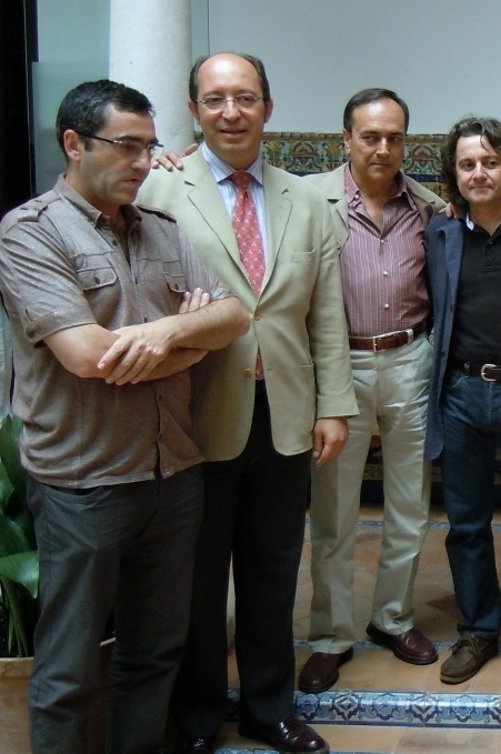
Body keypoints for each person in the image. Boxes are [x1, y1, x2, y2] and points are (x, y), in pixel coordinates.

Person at [0, 79, 249, 754]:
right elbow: (87, 356)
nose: (143, 163)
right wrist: (189, 337)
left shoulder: (161, 230)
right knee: (69, 668)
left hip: (174, 476)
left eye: (149, 146)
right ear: (74, 144)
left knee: (154, 652)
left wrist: (165, 333)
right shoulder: (30, 232)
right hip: (85, 484)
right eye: (127, 146)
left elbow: (233, 316)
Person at [138, 52, 357, 754]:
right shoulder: (157, 190)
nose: (231, 112)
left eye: (245, 97)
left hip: (286, 415)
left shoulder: (307, 201)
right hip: (193, 415)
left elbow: (327, 315)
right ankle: (199, 716)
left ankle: (269, 708)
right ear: (194, 109)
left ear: (268, 106)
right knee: (197, 579)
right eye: (215, 99)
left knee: (272, 571)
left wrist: (333, 405)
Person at [298, 88, 446, 694]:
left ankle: (392, 618)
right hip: (340, 366)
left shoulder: (429, 207)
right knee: (334, 512)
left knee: (410, 503)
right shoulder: (307, 200)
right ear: (346, 140)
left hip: (411, 358)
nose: (383, 148)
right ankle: (331, 635)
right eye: (370, 136)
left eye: (394, 137)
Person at [425, 116, 501, 686]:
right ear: (454, 174)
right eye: (467, 164)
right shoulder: (440, 231)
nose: (479, 173)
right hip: (462, 392)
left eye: (490, 162)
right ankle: (477, 629)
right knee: (467, 522)